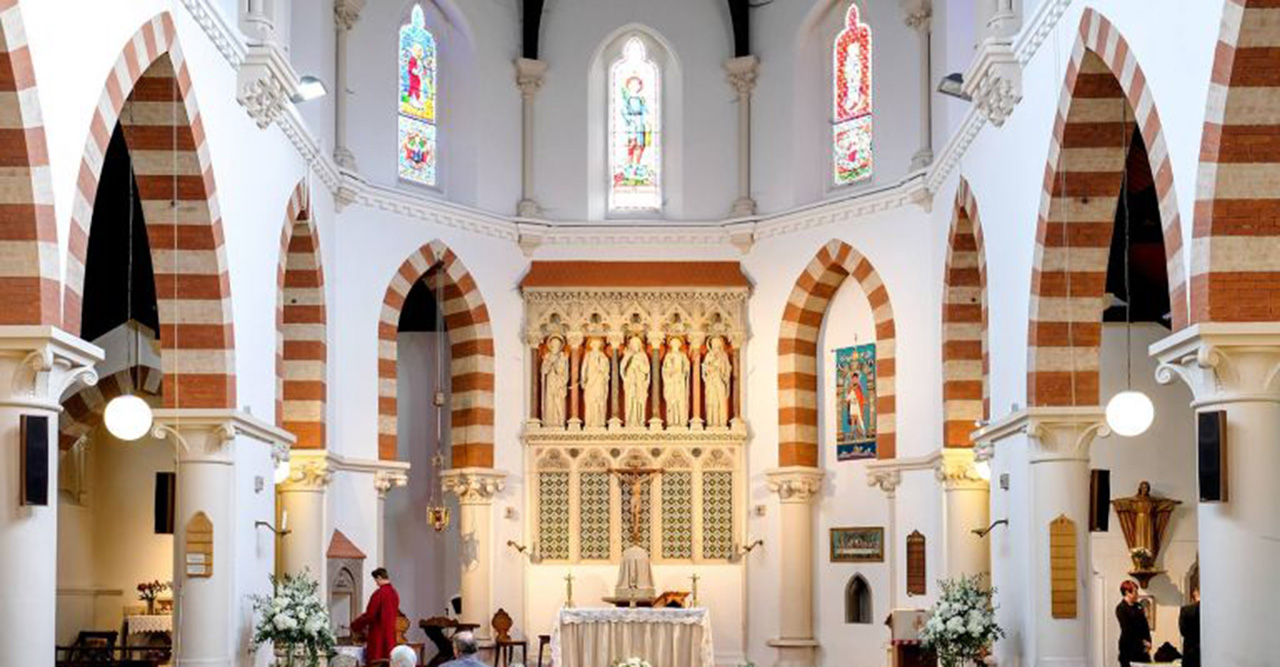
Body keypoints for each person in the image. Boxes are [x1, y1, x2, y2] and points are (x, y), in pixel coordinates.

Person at [351, 568, 401, 665]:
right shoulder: (394, 593)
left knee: (376, 661)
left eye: (376, 580)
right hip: (390, 633)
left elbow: (370, 615)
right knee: (388, 661)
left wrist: (355, 625)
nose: (376, 583)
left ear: (379, 577)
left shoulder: (379, 593)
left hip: (378, 634)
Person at [1116, 580, 1152, 667]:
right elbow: (1128, 629)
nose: (1137, 595)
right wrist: (1142, 642)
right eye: (1135, 592)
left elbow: (1145, 625)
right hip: (1128, 648)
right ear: (1127, 592)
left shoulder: (1138, 606)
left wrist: (1149, 641)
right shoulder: (1121, 608)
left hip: (1142, 649)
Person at [1180, 588, 1200, 667]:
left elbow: (1183, 631)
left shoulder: (1186, 610)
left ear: (1195, 594)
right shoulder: (1211, 609)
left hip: (1190, 650)